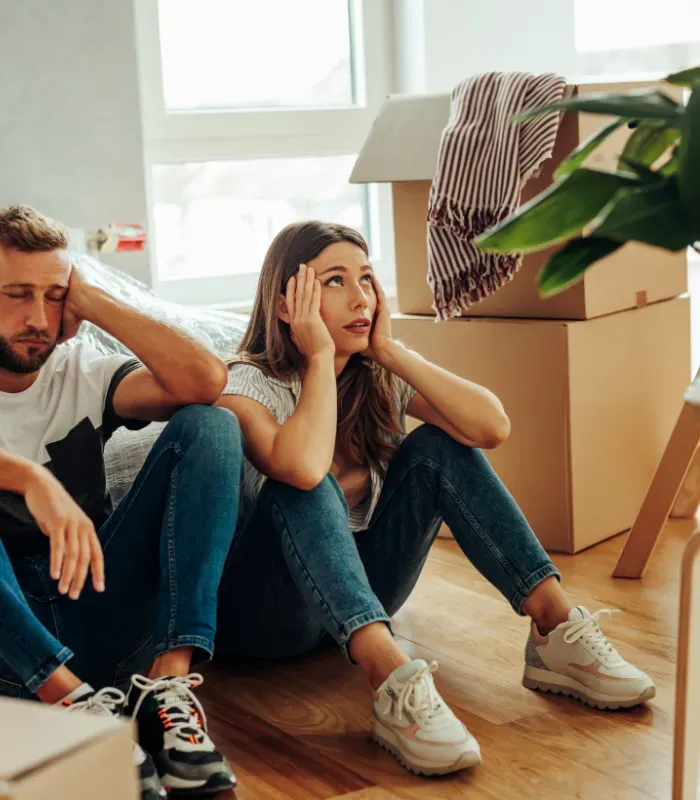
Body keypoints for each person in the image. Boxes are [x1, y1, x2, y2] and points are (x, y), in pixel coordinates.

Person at [216, 220, 655, 777]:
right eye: (334, 281)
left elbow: (491, 427)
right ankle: (392, 679)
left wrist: (390, 352)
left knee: (437, 445)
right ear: (287, 305)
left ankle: (554, 626)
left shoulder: (375, 377)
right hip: (265, 619)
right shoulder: (245, 383)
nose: (361, 298)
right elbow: (302, 467)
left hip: (366, 600)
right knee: (306, 481)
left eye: (366, 278)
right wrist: (320, 358)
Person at [0, 205, 240, 797]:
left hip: (98, 597)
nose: (37, 318)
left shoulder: (80, 368)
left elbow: (205, 382)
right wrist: (30, 478)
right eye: (16, 294)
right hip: (11, 640)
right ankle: (71, 709)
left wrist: (94, 301)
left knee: (212, 426)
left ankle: (168, 686)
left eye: (54, 296)